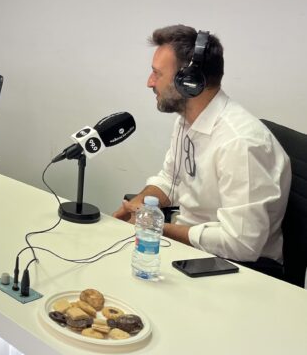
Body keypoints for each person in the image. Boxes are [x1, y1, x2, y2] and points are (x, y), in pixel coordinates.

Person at [113, 25, 291, 266]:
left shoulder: (240, 143)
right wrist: (143, 202)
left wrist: (156, 227)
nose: (149, 82)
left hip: (240, 267)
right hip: (194, 250)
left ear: (189, 81)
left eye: (157, 73)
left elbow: (242, 244)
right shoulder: (187, 121)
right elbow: (171, 179)